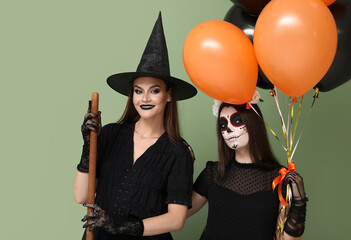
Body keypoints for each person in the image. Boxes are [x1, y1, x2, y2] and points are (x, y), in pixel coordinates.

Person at [73, 12, 197, 240]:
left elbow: (176, 219)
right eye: (138, 91)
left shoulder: (178, 153)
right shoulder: (110, 134)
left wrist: (122, 227)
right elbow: (81, 196)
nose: (145, 98)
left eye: (155, 90)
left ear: (169, 95)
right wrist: (87, 144)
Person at [187, 100, 307, 240]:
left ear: (253, 122)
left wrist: (299, 201)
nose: (228, 130)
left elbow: (285, 239)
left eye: (236, 121)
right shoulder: (213, 172)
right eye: (223, 125)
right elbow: (178, 214)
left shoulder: (279, 177)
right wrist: (182, 168)